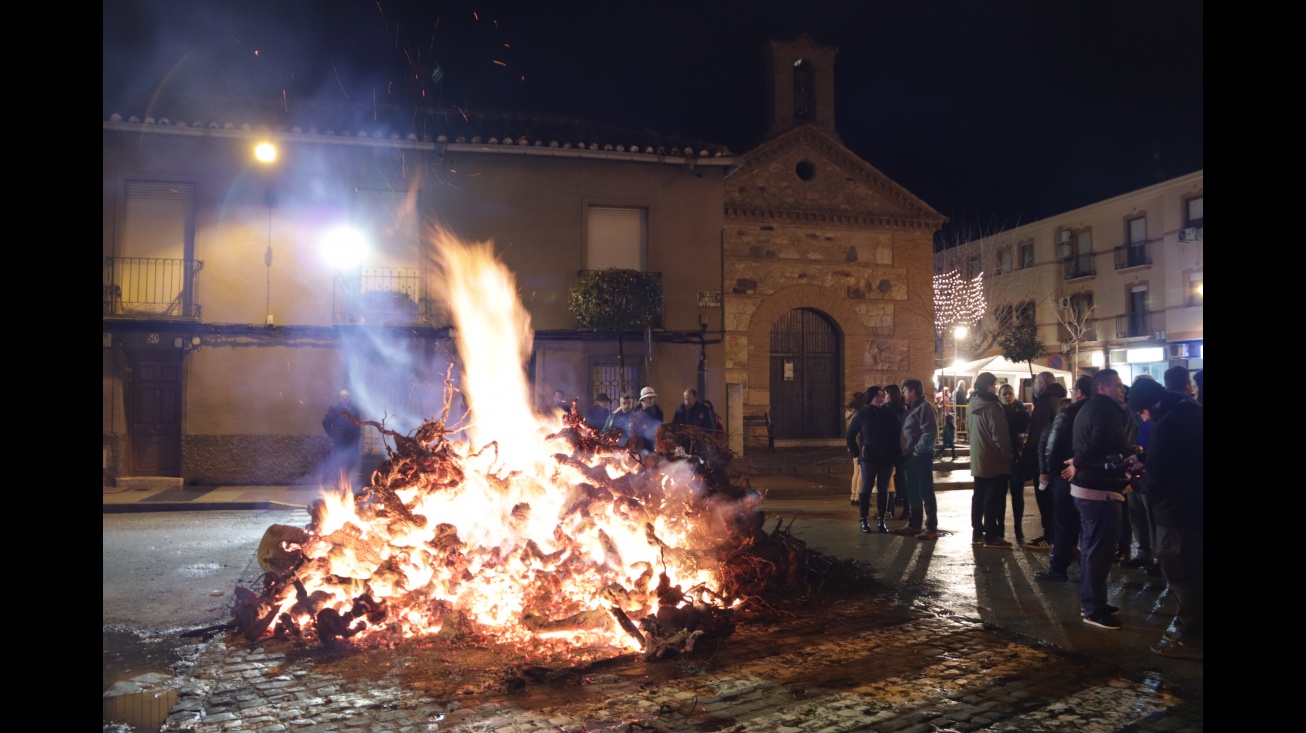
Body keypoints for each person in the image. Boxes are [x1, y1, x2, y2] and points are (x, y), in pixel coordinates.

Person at [1129, 375, 1204, 660]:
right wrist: (1148, 458)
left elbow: (1156, 480)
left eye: (1142, 412)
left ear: (1151, 404)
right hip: (1195, 508)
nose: (1143, 418)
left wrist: (1133, 479)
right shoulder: (1190, 410)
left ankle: (1191, 638)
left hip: (1176, 513)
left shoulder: (1167, 424)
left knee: (1182, 575)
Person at [1070, 369, 1135, 630]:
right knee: (1100, 550)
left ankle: (1092, 601)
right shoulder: (1106, 411)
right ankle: (1094, 608)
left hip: (1089, 487)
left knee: (1091, 548)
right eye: (1118, 386)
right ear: (1104, 387)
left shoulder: (1089, 407)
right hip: (1098, 489)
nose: (1122, 390)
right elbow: (1097, 444)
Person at [1034, 376, 1093, 581]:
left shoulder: (1069, 414)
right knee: (1088, 524)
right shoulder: (1102, 413)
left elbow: (1052, 447)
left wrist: (1053, 472)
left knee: (1064, 522)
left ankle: (1058, 567)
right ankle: (1088, 568)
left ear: (1078, 392)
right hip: (1091, 478)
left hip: (1065, 477)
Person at [968, 372, 1015, 547]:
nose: (996, 388)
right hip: (994, 460)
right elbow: (1000, 437)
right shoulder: (992, 407)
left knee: (979, 497)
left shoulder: (972, 404)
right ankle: (992, 536)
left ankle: (977, 532)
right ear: (988, 386)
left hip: (979, 459)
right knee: (993, 499)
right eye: (994, 385)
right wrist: (1008, 456)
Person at [1022, 372, 1067, 551]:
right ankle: (1054, 535)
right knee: (1053, 500)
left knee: (1045, 499)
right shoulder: (1058, 400)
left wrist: (1033, 461)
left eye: (1035, 385)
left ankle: (1049, 536)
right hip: (1055, 458)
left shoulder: (1044, 403)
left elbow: (1038, 436)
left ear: (1042, 384)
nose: (1033, 387)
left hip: (1044, 460)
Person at [846, 386, 900, 534]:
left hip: (886, 457)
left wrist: (894, 451)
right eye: (878, 395)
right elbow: (850, 435)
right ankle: (863, 520)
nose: (881, 398)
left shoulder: (889, 413)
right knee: (866, 488)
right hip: (868, 458)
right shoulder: (862, 414)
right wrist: (857, 454)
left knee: (883, 489)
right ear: (870, 397)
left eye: (883, 395)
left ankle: (882, 520)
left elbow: (897, 432)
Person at [896, 378, 940, 540]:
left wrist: (917, 451)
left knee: (925, 490)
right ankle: (915, 524)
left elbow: (929, 433)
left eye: (905, 391)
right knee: (913, 491)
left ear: (913, 391)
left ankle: (931, 527)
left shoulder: (925, 408)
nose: (903, 395)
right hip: (910, 456)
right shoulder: (910, 408)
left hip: (920, 457)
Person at [997, 383, 1030, 543]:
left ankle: (1018, 528)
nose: (1007, 396)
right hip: (1002, 458)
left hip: (1017, 458)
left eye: (1010, 393)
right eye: (1004, 394)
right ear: (999, 396)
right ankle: (1000, 528)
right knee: (1000, 495)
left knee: (1017, 494)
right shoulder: (998, 411)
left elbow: (1025, 427)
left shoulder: (1021, 410)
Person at [322, 388, 363, 493]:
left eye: (346, 396)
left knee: (352, 461)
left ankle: (349, 483)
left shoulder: (354, 409)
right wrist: (332, 434)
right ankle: (338, 484)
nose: (345, 398)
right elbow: (325, 422)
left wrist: (358, 435)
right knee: (340, 461)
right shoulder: (334, 409)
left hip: (353, 441)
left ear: (349, 397)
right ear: (340, 398)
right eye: (342, 396)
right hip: (340, 441)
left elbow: (358, 423)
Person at [882, 383, 908, 517]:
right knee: (897, 479)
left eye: (886, 394)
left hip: (893, 448)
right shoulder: (903, 409)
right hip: (897, 448)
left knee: (892, 479)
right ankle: (897, 508)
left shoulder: (890, 410)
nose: (884, 397)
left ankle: (892, 509)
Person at [846, 391, 866, 506]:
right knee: (862, 472)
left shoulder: (850, 412)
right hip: (859, 445)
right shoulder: (858, 414)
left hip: (854, 446)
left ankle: (853, 496)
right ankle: (858, 497)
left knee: (857, 472)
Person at [634, 386, 664, 452]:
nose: (651, 400)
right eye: (649, 398)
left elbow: (660, 427)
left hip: (651, 443)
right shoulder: (636, 409)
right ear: (643, 399)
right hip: (638, 443)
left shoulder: (658, 411)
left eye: (653, 398)